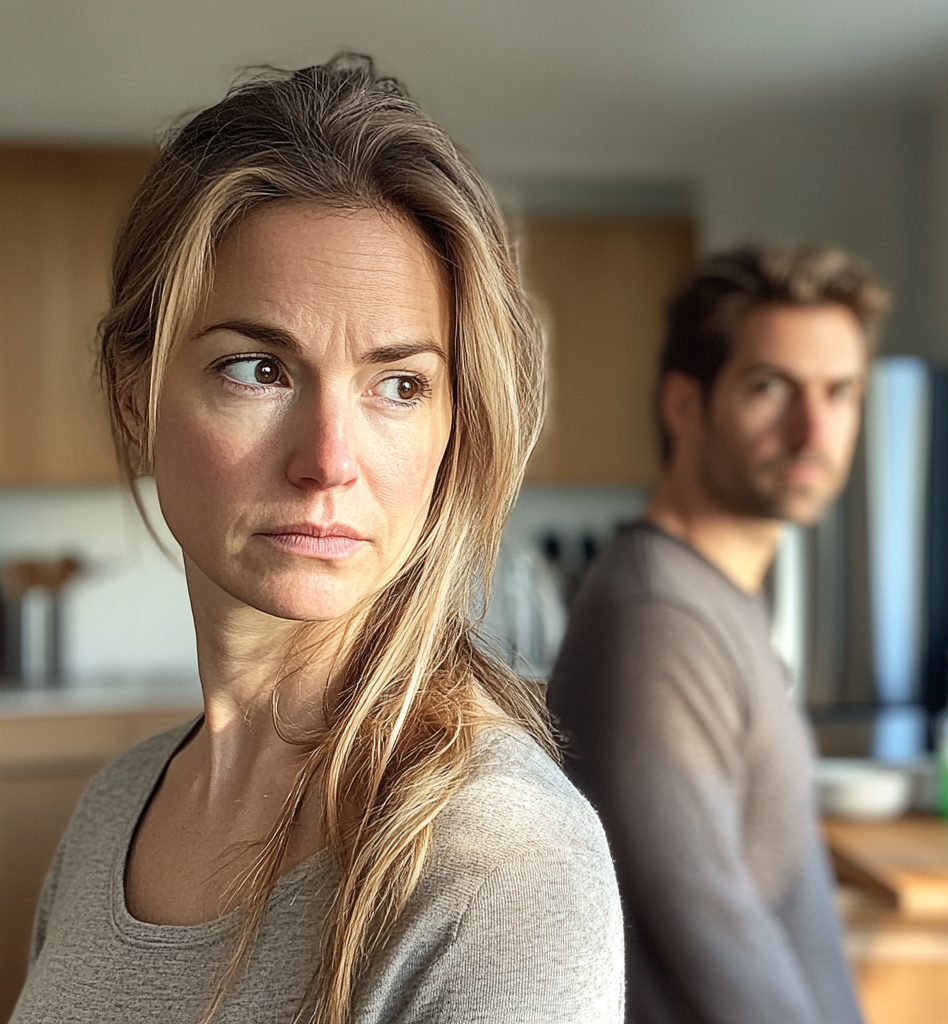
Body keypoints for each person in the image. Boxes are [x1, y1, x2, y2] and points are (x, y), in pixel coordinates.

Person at [12, 55, 624, 1024]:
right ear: (135, 394)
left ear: (453, 424)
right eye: (258, 367)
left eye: (398, 384)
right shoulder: (110, 813)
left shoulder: (498, 862)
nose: (329, 460)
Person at [549, 244, 890, 1024]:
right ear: (684, 406)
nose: (814, 429)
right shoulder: (657, 620)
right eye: (771, 388)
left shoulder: (712, 598)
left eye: (840, 393)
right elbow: (707, 943)